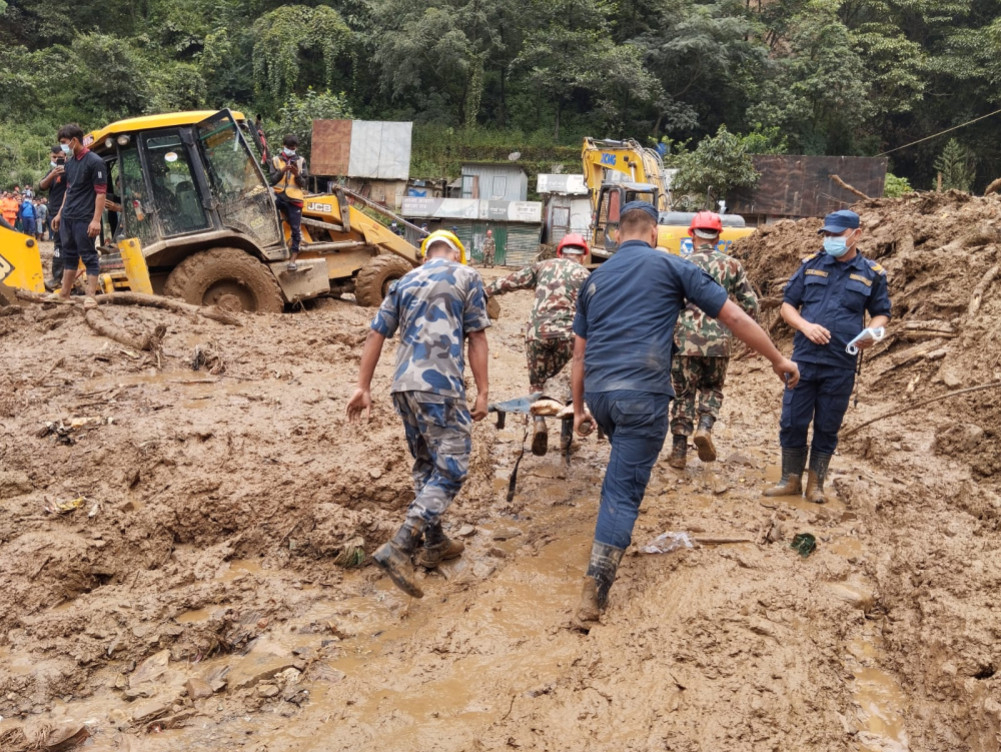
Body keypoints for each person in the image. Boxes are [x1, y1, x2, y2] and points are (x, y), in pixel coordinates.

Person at [570, 201, 799, 626]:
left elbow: (579, 356)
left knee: (621, 470)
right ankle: (594, 592)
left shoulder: (594, 280)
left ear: (618, 235)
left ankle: (608, 539)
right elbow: (733, 314)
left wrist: (580, 408)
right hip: (642, 393)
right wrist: (776, 360)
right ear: (655, 233)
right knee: (622, 490)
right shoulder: (672, 266)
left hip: (600, 393)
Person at [346, 229, 490, 598]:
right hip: (440, 387)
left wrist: (363, 387)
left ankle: (435, 542)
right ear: (456, 254)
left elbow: (376, 334)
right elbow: (477, 337)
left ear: (425, 256)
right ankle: (401, 545)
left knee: (427, 465)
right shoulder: (466, 276)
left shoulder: (405, 280)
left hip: (403, 388)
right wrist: (484, 391)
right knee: (453, 469)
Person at [763, 209, 891, 504]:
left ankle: (815, 484)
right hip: (803, 361)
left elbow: (882, 314)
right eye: (827, 235)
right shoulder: (810, 266)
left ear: (856, 235)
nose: (830, 240)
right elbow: (787, 306)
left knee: (827, 424)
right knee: (793, 420)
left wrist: (871, 334)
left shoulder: (872, 274)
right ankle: (790, 479)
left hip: (841, 364)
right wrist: (805, 326)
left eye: (837, 235)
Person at [668, 212, 759, 469]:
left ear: (691, 235)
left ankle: (678, 452)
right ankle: (705, 428)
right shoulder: (732, 265)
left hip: (684, 341)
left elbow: (667, 304)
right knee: (712, 389)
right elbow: (750, 303)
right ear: (719, 237)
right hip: (720, 343)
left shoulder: (681, 264)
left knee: (683, 394)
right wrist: (751, 340)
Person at [485, 232, 591, 455]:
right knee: (569, 385)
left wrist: (485, 291)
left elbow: (510, 282)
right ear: (583, 256)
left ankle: (539, 425)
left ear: (560, 251)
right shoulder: (585, 275)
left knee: (537, 385)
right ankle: (566, 439)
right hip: (569, 336)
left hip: (537, 334)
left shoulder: (543, 266)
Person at [51, 123, 107, 304]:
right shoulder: (70, 163)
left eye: (64, 142)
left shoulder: (95, 162)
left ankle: (91, 297)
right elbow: (69, 190)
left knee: (89, 255)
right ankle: (64, 294)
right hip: (68, 216)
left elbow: (100, 193)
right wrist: (60, 213)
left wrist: (96, 220)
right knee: (69, 255)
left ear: (75, 140)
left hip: (84, 217)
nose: (63, 146)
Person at [269, 134, 307, 271]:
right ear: (284, 146)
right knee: (267, 220)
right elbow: (272, 180)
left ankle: (293, 260)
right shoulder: (275, 160)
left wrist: (297, 175)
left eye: (294, 147)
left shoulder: (301, 161)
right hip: (278, 196)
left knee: (296, 230)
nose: (292, 149)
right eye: (289, 147)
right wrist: (282, 171)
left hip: (294, 199)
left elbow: (303, 183)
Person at [40, 145, 69, 286]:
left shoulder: (70, 171)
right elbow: (41, 186)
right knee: (58, 245)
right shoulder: (51, 172)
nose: (57, 160)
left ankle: (66, 279)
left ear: (66, 157)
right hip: (53, 213)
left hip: (66, 212)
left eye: (60, 158)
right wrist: (52, 174)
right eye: (54, 157)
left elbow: (68, 192)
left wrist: (60, 213)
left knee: (67, 244)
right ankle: (57, 278)